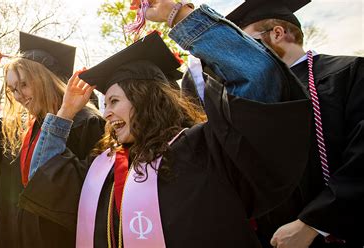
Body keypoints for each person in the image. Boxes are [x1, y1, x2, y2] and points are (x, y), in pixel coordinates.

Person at [20, 1, 314, 246]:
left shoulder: (204, 149)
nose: (106, 113)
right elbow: (45, 176)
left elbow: (258, 77)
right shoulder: (103, 168)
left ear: (146, 100)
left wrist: (178, 14)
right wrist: (64, 114)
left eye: (114, 102)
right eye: (105, 103)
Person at [227, 0, 364, 247]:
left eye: (246, 44)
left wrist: (314, 223)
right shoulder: (250, 98)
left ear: (277, 34)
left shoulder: (349, 72)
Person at [0, 32, 105, 247]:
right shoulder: (20, 128)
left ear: (45, 78)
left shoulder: (85, 122)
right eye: (13, 89)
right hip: (12, 236)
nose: (18, 95)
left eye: (24, 84)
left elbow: (92, 197)